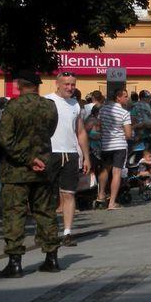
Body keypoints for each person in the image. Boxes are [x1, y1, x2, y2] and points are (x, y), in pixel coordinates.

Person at [0, 71, 59, 278]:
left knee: (15, 214)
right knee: (46, 212)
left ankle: (15, 263)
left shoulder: (12, 107)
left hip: (16, 171)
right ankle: (52, 258)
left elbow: (6, 140)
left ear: (18, 85)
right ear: (37, 86)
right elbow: (49, 132)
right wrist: (37, 157)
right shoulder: (50, 106)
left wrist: (28, 159)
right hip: (43, 168)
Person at [46, 73, 90, 247]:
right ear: (57, 84)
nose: (70, 88)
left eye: (73, 84)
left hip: (70, 154)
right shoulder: (47, 101)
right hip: (50, 153)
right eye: (66, 84)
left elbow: (81, 132)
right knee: (47, 195)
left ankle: (67, 233)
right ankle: (48, 232)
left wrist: (86, 157)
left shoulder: (75, 104)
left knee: (69, 194)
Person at [99, 87, 133, 209]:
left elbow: (100, 127)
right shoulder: (125, 113)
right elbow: (128, 134)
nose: (127, 98)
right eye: (125, 96)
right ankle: (112, 202)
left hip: (106, 144)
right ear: (118, 98)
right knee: (116, 172)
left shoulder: (103, 110)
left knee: (104, 170)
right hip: (119, 145)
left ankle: (101, 195)